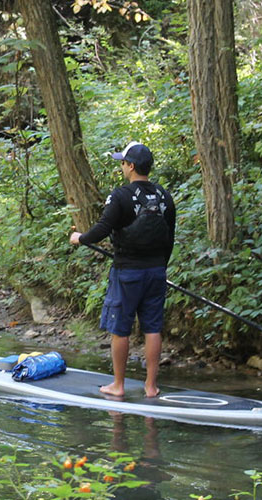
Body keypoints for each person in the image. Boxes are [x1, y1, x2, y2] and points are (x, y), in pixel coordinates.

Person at [69, 141, 176, 398]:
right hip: (156, 272)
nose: (122, 166)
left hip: (127, 273)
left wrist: (80, 238)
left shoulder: (121, 195)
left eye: (123, 162)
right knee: (152, 327)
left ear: (131, 166)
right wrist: (161, 266)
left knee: (121, 328)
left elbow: (103, 229)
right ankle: (151, 386)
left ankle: (118, 385)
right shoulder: (165, 196)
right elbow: (169, 238)